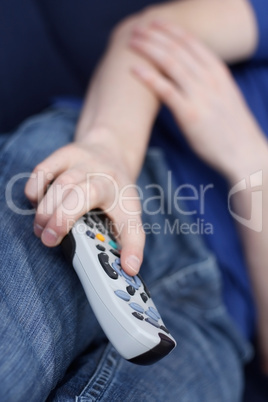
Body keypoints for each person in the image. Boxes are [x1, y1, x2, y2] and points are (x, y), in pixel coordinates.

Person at [0, 0, 267, 400]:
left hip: (214, 319)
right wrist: (110, 151)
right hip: (125, 173)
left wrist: (251, 161)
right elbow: (150, 35)